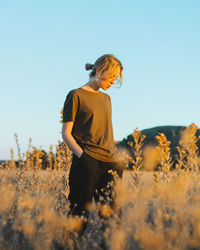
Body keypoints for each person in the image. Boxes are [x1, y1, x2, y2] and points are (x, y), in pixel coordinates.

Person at [62, 54, 125, 233]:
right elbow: (66, 134)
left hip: (111, 163)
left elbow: (103, 131)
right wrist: (84, 157)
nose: (113, 81)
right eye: (112, 76)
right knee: (77, 216)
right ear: (99, 70)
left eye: (116, 78)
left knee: (112, 219)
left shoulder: (106, 99)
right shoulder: (76, 95)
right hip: (86, 162)